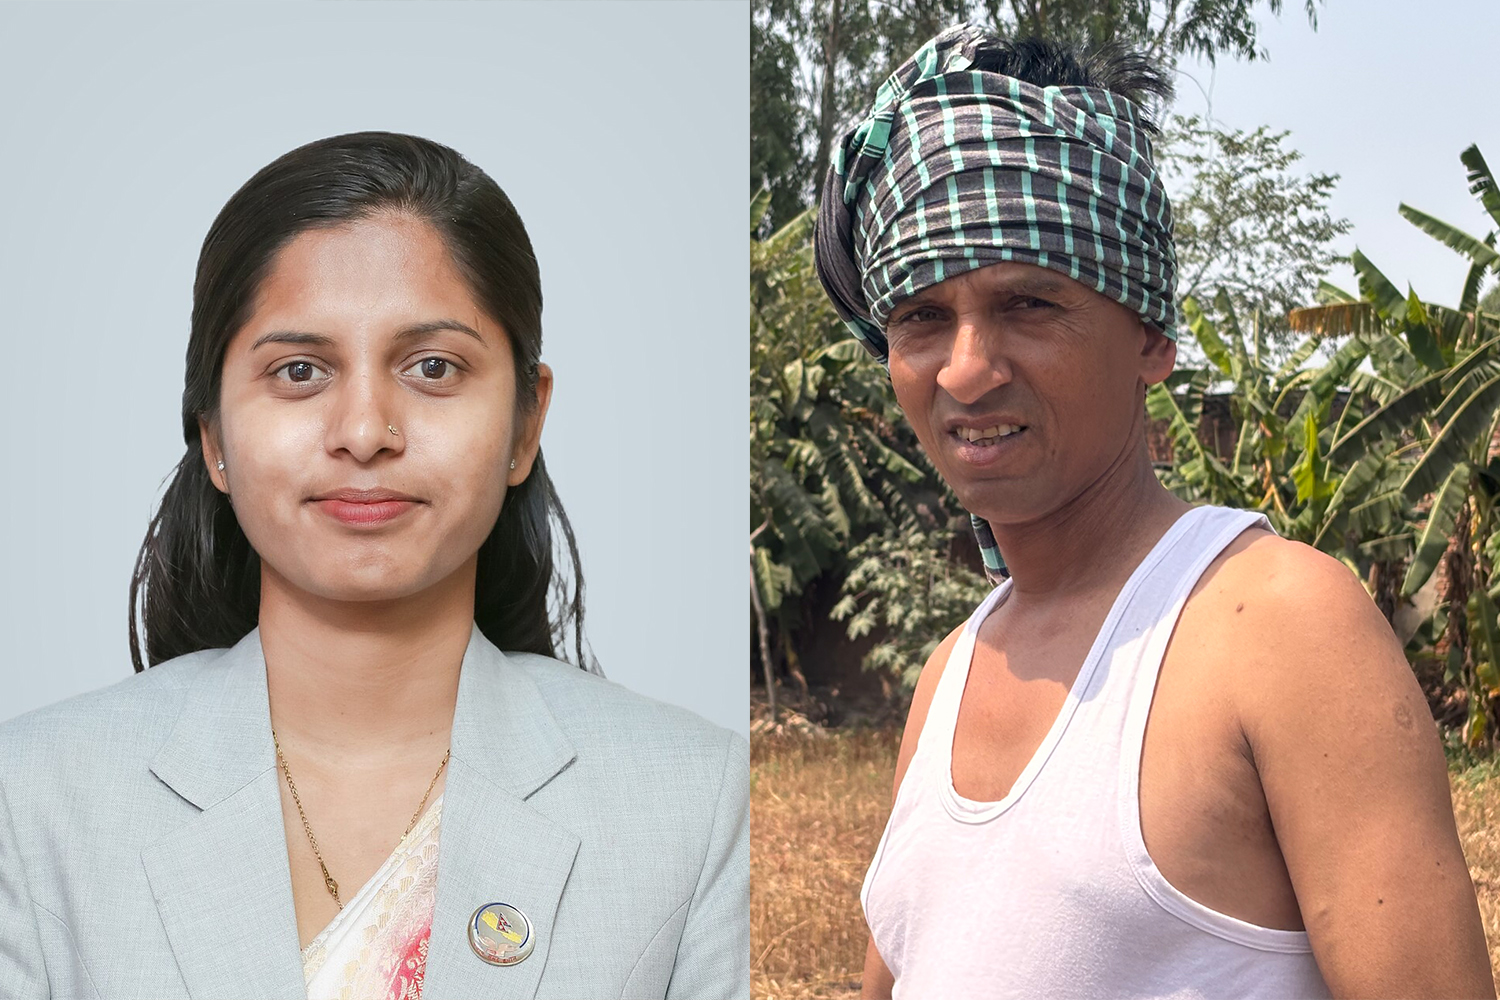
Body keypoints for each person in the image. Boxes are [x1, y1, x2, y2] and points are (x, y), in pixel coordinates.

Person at [813, 23, 1493, 1000]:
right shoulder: (948, 678)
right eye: (920, 317)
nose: (965, 368)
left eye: (1029, 304)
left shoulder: (1278, 628)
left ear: (1149, 337)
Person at [0, 132, 748, 1000]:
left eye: (433, 368)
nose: (365, 431)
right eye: (300, 370)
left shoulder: (695, 807)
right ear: (213, 436)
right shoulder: (34, 802)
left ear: (524, 424)